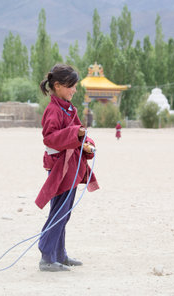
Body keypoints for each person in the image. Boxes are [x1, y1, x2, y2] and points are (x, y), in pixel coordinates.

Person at [36, 64, 99, 272]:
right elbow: (50, 138)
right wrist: (75, 135)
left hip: (71, 166)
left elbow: (79, 131)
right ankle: (47, 256)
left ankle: (60, 255)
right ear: (58, 86)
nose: (74, 90)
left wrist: (86, 142)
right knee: (59, 212)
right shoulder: (53, 110)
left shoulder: (69, 108)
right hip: (59, 169)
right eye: (71, 86)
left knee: (65, 211)